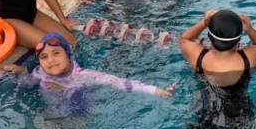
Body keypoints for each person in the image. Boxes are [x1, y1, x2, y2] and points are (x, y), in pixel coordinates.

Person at [19, 33, 174, 115]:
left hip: (77, 113)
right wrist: (21, 72)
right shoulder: (39, 72)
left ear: (68, 54)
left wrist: (155, 90)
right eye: (44, 57)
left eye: (56, 53)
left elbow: (119, 83)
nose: (50, 60)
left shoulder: (84, 76)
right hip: (51, 113)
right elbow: (26, 84)